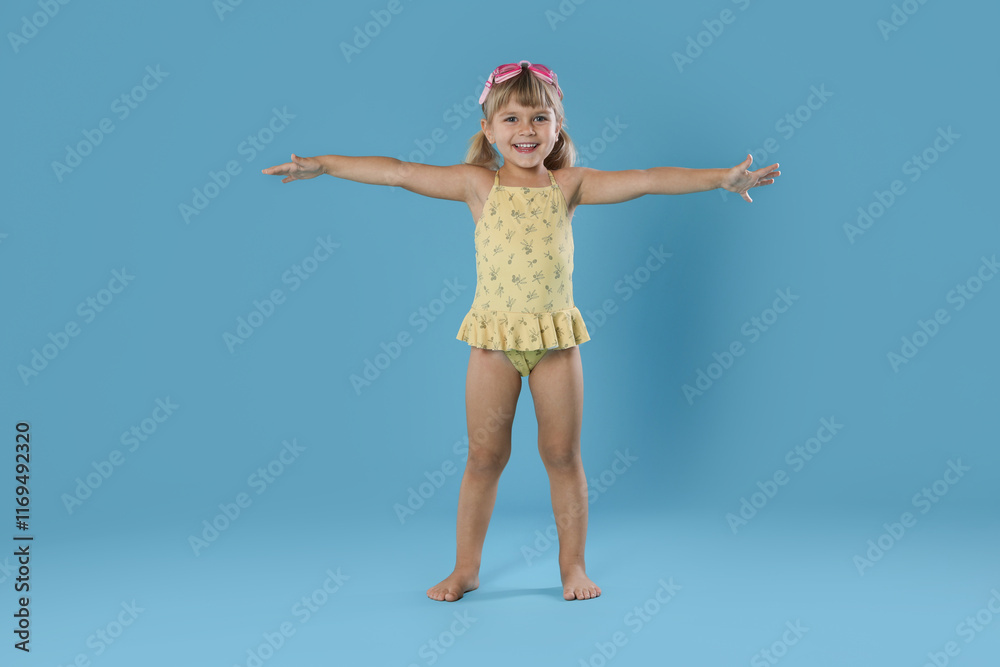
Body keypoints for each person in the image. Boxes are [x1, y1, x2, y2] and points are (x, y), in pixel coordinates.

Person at [262, 60, 781, 602]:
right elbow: (398, 171)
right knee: (483, 459)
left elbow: (649, 180)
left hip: (555, 345)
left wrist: (720, 179)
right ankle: (465, 569)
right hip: (493, 345)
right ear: (488, 129)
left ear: (558, 128)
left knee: (562, 456)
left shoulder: (570, 186)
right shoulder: (476, 185)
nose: (526, 130)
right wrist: (324, 165)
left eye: (539, 117)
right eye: (511, 118)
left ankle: (573, 568)